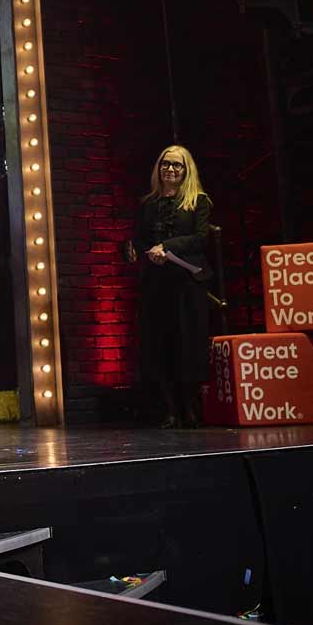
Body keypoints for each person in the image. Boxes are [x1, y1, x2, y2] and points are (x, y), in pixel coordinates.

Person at [127, 144, 212, 428]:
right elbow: (137, 239)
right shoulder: (147, 204)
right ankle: (169, 409)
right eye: (166, 164)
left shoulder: (198, 201)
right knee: (159, 344)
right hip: (157, 282)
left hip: (187, 282)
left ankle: (190, 408)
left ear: (186, 171)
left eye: (177, 165)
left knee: (188, 344)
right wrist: (145, 252)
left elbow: (200, 238)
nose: (170, 170)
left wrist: (168, 246)